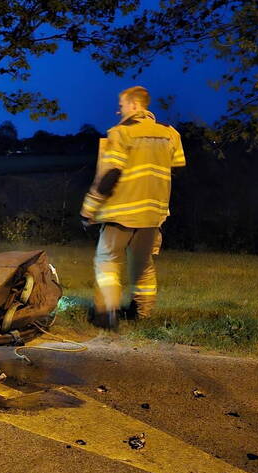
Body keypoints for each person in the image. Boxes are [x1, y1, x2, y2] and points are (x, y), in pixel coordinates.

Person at [80, 86, 186, 330]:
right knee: (143, 264)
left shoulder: (121, 133)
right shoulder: (171, 134)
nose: (119, 110)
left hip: (121, 213)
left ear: (135, 105)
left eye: (123, 104)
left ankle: (107, 314)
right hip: (153, 215)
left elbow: (110, 175)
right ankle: (143, 313)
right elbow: (176, 169)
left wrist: (89, 209)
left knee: (107, 261)